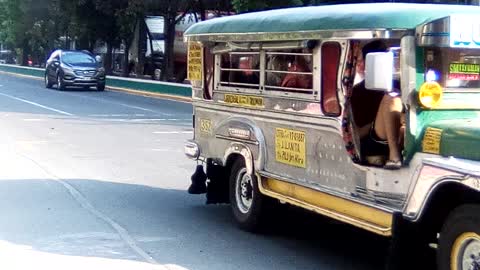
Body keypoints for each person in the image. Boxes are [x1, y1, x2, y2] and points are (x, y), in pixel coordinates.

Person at [351, 40, 404, 170]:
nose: (359, 64)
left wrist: (401, 119)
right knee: (391, 98)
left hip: (403, 131)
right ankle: (394, 155)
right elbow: (356, 134)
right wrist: (381, 122)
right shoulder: (357, 92)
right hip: (373, 139)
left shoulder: (399, 84)